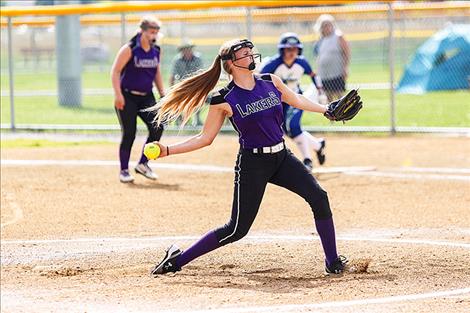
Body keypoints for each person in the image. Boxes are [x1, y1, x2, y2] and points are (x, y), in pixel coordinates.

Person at [148, 38, 348, 276]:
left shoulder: (270, 81)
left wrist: (326, 109)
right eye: (245, 53)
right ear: (231, 63)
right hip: (253, 164)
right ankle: (177, 261)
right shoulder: (224, 98)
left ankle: (332, 261)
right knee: (236, 230)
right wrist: (167, 149)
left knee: (319, 197)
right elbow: (205, 138)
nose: (251, 55)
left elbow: (296, 100)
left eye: (252, 52)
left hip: (282, 157)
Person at [261, 32, 327, 171]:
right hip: (279, 101)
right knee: (287, 130)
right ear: (282, 50)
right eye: (288, 49)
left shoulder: (301, 62)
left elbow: (313, 75)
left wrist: (320, 92)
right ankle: (318, 145)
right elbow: (259, 77)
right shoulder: (274, 63)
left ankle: (307, 160)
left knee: (293, 127)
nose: (292, 52)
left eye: (295, 49)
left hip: (295, 98)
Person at [111, 16, 165, 183]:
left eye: (156, 32)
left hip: (146, 96)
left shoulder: (156, 50)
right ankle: (124, 170)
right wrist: (118, 95)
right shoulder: (130, 48)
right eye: (151, 31)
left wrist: (163, 94)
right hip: (127, 96)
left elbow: (156, 72)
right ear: (142, 31)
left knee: (158, 127)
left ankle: (143, 164)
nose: (154, 35)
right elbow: (115, 71)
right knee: (129, 134)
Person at [313, 14, 351, 102]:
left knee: (340, 96)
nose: (326, 27)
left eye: (328, 25)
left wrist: (345, 68)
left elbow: (346, 52)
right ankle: (333, 115)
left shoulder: (338, 36)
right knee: (328, 97)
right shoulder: (320, 40)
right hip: (324, 73)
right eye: (324, 25)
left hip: (336, 72)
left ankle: (342, 115)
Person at [169, 38, 204, 126]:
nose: (187, 51)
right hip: (182, 86)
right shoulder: (177, 60)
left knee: (199, 98)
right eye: (185, 49)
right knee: (176, 99)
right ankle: (180, 120)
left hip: (196, 85)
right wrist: (171, 90)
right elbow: (172, 76)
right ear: (182, 50)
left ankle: (197, 120)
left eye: (189, 48)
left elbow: (201, 74)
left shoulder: (198, 59)